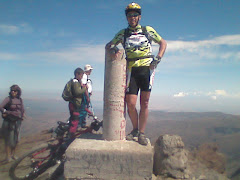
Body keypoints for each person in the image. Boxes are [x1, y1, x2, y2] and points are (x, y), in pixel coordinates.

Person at [106, 2, 167, 145]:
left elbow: (163, 43)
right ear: (127, 18)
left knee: (144, 102)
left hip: (147, 69)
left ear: (139, 17)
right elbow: (109, 45)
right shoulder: (123, 33)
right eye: (129, 15)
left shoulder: (148, 30)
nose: (132, 17)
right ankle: (135, 129)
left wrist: (158, 57)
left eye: (135, 15)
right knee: (131, 103)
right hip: (131, 70)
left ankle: (142, 133)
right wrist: (113, 49)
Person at [0, 85, 25, 162]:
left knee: (16, 139)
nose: (12, 92)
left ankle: (13, 154)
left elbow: (22, 109)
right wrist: (7, 112)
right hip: (9, 121)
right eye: (11, 90)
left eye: (14, 90)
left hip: (18, 121)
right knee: (8, 139)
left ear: (18, 92)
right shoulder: (8, 99)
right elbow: (1, 107)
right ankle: (8, 157)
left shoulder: (20, 100)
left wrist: (22, 115)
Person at [67, 68, 87, 138]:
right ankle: (71, 134)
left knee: (73, 118)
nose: (81, 77)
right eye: (81, 75)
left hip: (73, 103)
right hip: (74, 103)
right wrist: (84, 88)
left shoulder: (74, 82)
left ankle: (70, 131)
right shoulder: (75, 82)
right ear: (77, 74)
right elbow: (77, 92)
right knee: (75, 118)